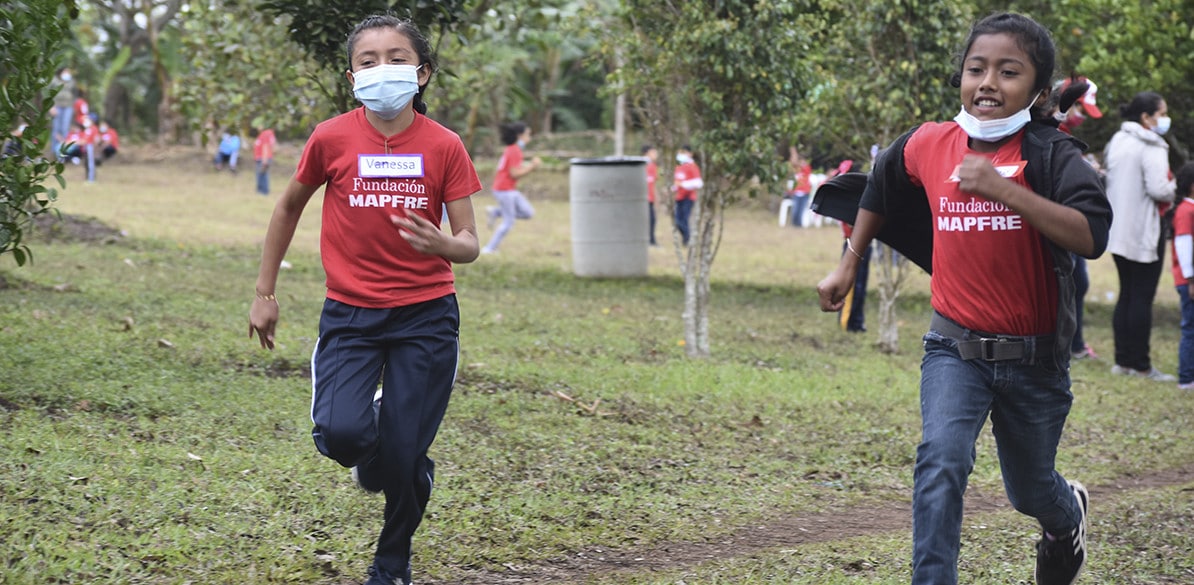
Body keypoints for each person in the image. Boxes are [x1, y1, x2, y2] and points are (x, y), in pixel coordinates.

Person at [818, 12, 1110, 585]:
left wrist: (1003, 189)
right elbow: (880, 181)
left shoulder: (1052, 154)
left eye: (1008, 72)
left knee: (1029, 490)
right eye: (976, 69)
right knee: (940, 461)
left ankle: (1064, 514)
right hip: (953, 346)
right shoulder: (931, 143)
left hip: (1034, 359)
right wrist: (848, 262)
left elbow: (1091, 234)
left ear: (1037, 90)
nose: (988, 83)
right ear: (961, 77)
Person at [247, 15, 481, 585]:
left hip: (426, 315)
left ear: (421, 73)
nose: (383, 70)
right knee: (342, 437)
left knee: (403, 458)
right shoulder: (331, 137)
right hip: (350, 312)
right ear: (351, 74)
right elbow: (287, 208)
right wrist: (264, 292)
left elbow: (469, 243)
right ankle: (383, 434)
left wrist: (442, 243)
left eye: (398, 58)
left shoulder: (445, 145)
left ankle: (391, 561)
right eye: (368, 60)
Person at [1104, 91, 1177, 381]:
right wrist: (1180, 188)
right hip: (1145, 229)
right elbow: (1159, 189)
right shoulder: (1153, 146)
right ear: (1146, 117)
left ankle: (1122, 361)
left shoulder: (1118, 140)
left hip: (1119, 229)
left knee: (1127, 293)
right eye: (1162, 114)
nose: (1164, 120)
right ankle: (1142, 365)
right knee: (1142, 298)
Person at [480, 121, 539, 254]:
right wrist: (532, 166)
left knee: (528, 212)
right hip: (505, 190)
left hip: (508, 189)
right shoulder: (514, 151)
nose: (529, 138)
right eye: (527, 134)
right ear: (520, 135)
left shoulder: (512, 149)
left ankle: (495, 212)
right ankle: (489, 249)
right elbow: (515, 174)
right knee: (508, 222)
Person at [1170, 162, 1194, 390]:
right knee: (1190, 329)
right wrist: (1190, 279)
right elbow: (1184, 245)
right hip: (1189, 281)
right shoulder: (1186, 211)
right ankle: (1186, 378)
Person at [672, 144, 702, 245]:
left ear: (690, 154)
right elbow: (677, 182)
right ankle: (687, 237)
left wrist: (683, 184)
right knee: (677, 220)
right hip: (679, 197)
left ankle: (687, 239)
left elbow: (698, 183)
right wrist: (674, 187)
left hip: (688, 197)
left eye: (684, 153)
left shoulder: (692, 166)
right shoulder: (679, 167)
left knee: (684, 219)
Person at [49, 67, 75, 158]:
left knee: (65, 128)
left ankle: (63, 151)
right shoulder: (54, 80)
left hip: (68, 107)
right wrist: (50, 106)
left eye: (68, 72)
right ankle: (54, 152)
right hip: (56, 106)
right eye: (65, 71)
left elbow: (74, 93)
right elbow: (49, 93)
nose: (67, 73)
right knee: (56, 128)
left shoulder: (71, 81)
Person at [786, 148, 813, 228]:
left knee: (801, 210)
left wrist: (794, 152)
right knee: (795, 210)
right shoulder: (797, 169)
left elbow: (795, 163)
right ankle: (794, 224)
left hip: (805, 192)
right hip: (796, 192)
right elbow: (793, 162)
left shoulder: (807, 168)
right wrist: (793, 152)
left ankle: (799, 225)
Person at [251, 125, 277, 195]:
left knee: (262, 175)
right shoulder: (268, 133)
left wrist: (264, 160)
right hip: (263, 158)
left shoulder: (266, 133)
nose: (258, 127)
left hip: (263, 158)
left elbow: (265, 146)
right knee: (261, 175)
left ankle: (263, 192)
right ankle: (261, 192)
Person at [643, 144, 659, 246]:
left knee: (652, 220)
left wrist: (657, 197)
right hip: (642, 199)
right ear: (647, 153)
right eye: (654, 152)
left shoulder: (653, 166)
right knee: (649, 220)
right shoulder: (641, 165)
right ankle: (650, 241)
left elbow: (653, 184)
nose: (656, 154)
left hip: (650, 199)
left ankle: (651, 241)